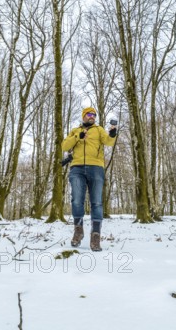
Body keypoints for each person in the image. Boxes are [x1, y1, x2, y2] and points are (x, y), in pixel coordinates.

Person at [61, 107, 117, 251]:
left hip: (96, 167)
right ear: (84, 116)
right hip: (77, 168)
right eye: (89, 114)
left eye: (94, 115)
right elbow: (65, 146)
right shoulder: (75, 130)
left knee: (97, 202)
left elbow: (109, 142)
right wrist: (77, 137)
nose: (92, 116)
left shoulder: (98, 130)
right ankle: (78, 231)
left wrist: (112, 133)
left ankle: (95, 236)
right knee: (77, 200)